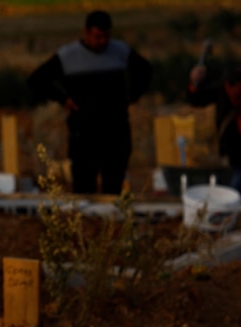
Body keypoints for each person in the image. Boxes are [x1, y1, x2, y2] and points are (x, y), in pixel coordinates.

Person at [28, 10, 152, 195]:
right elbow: (37, 80)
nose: (102, 41)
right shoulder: (68, 56)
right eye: (97, 37)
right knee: (84, 188)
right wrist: (64, 99)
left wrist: (131, 96)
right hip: (84, 133)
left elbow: (145, 70)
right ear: (86, 33)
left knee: (114, 187)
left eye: (106, 37)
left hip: (115, 131)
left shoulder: (119, 51)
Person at [187, 66, 241, 198]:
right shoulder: (222, 92)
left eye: (240, 97)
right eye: (232, 98)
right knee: (235, 196)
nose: (235, 102)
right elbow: (197, 98)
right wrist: (195, 81)